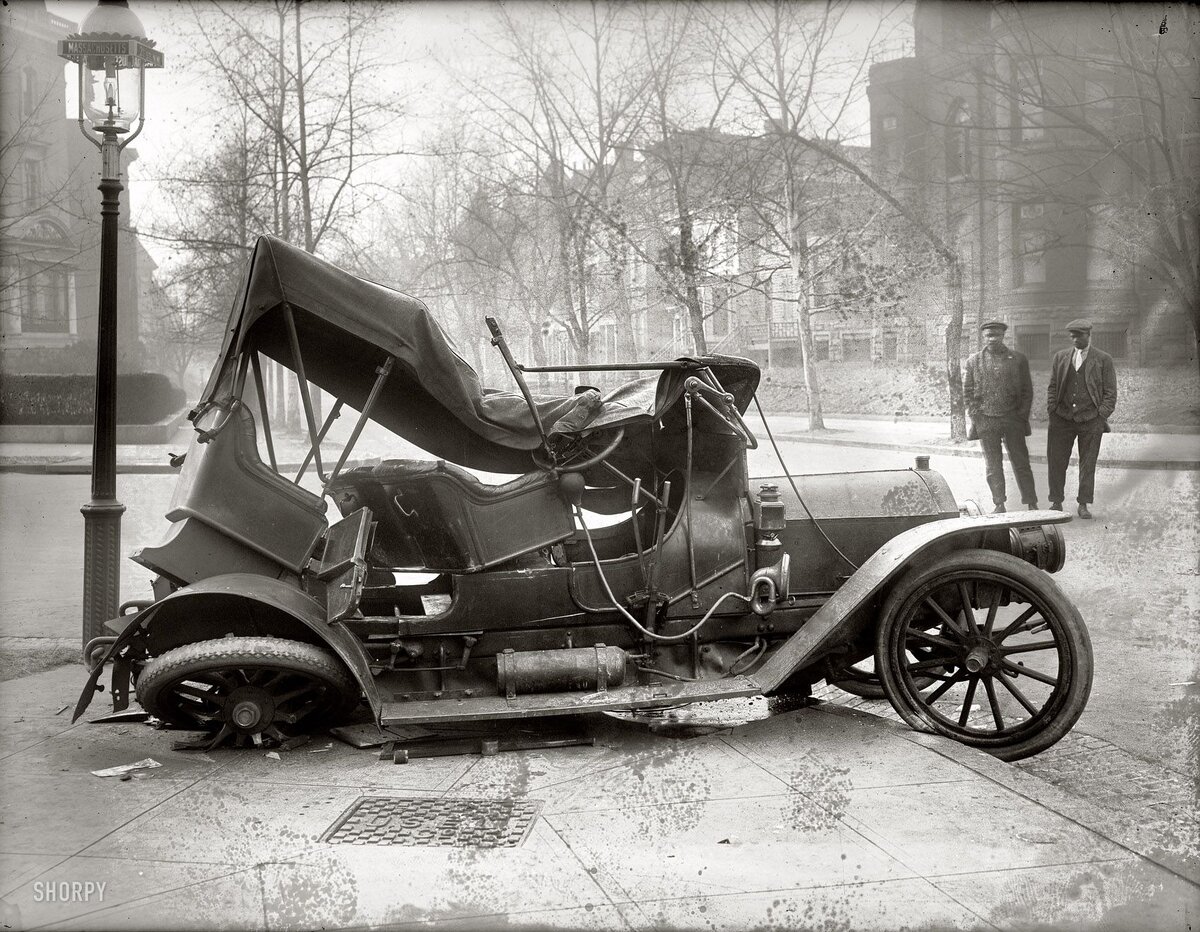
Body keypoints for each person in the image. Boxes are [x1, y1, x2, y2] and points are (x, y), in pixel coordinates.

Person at [1046, 318, 1117, 519]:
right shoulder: (1060, 357)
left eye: (1079, 335)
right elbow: (1052, 387)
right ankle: (1056, 501)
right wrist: (1053, 408)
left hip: (1091, 420)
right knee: (1057, 460)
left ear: (1088, 335)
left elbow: (1110, 392)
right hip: (1062, 418)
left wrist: (1101, 415)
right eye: (1072, 336)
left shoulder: (1103, 359)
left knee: (1088, 464)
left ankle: (1083, 504)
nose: (1075, 339)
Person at [964, 320, 1038, 513]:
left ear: (1003, 336)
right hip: (987, 421)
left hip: (1012, 419)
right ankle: (999, 503)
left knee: (1021, 462)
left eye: (996, 335)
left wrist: (1021, 417)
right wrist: (977, 418)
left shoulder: (1018, 359)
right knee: (993, 466)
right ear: (983, 337)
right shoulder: (974, 361)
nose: (992, 339)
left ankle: (1031, 502)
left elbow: (1026, 391)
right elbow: (968, 393)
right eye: (988, 336)